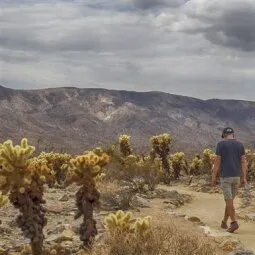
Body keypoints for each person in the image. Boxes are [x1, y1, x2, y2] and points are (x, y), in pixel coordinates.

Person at [212, 127, 247, 233]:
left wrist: (214, 176)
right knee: (230, 201)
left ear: (224, 135)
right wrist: (244, 177)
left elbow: (217, 162)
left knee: (229, 201)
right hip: (237, 177)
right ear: (233, 135)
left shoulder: (220, 144)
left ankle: (234, 223)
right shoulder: (240, 145)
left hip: (225, 177)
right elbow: (243, 162)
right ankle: (224, 222)